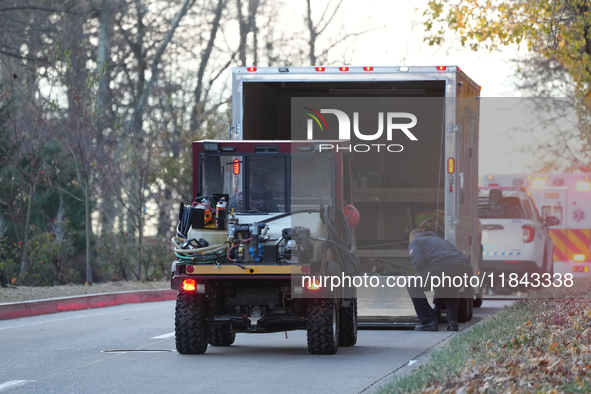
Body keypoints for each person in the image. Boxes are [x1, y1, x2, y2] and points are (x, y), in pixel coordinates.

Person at [406, 228, 471, 332]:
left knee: (412, 284)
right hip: (465, 268)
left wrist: (421, 272)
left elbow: (418, 262)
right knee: (450, 287)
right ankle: (453, 321)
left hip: (444, 267)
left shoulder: (416, 241)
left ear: (411, 239)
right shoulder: (440, 241)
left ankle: (429, 321)